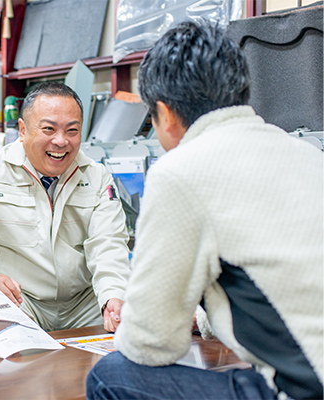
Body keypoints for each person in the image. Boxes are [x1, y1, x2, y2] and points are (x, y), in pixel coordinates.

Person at [86, 20, 323, 399]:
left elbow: (150, 344)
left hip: (303, 391)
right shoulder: (306, 155)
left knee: (111, 375)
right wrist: (202, 316)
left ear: (165, 114)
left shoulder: (180, 172)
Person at [0, 82, 131, 333]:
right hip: (18, 300)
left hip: (84, 303)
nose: (61, 141)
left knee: (131, 331)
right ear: (23, 130)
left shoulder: (97, 176)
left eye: (72, 130)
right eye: (49, 129)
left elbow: (108, 243)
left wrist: (113, 295)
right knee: (11, 357)